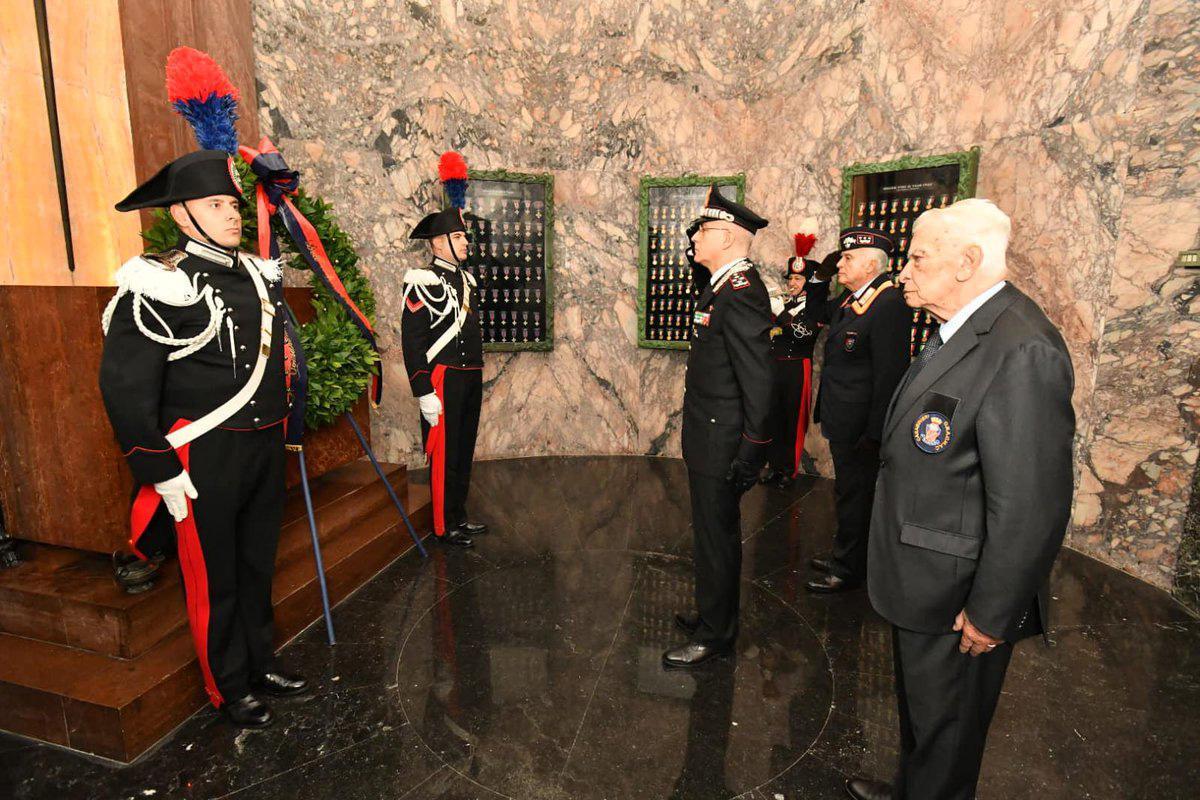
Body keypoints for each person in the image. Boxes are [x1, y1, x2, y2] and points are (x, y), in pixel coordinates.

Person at [846, 199, 1075, 800]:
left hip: (960, 595)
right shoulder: (964, 327)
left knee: (949, 735)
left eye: (918, 257)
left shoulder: (1022, 348)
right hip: (924, 578)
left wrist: (992, 612)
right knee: (927, 716)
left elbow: (1031, 504)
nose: (904, 271)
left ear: (968, 262)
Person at [101, 149, 309, 729]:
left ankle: (261, 662)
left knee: (254, 566)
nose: (231, 214)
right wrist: (158, 466)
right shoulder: (159, 281)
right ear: (182, 214)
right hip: (202, 455)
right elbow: (125, 386)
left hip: (262, 447)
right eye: (215, 205)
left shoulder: (253, 272)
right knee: (213, 576)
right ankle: (228, 686)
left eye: (232, 203)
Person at [664, 187, 772, 669]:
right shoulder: (722, 285)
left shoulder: (742, 292)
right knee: (709, 532)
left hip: (723, 438)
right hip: (708, 432)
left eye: (703, 231)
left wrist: (753, 448)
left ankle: (717, 634)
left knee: (718, 534)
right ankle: (712, 614)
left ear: (727, 237)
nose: (694, 240)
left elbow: (758, 379)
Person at [805, 228, 912, 593]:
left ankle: (848, 568)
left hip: (862, 425)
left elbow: (890, 374)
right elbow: (817, 314)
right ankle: (845, 553)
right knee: (849, 492)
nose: (841, 264)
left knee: (857, 494)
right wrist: (819, 277)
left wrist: (876, 431)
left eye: (848, 258)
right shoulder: (854, 300)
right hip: (844, 417)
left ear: (871, 264)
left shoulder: (888, 303)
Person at [400, 205, 487, 548]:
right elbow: (413, 341)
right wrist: (423, 390)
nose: (466, 242)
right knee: (444, 455)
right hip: (442, 378)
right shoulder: (422, 281)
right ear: (437, 244)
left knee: (463, 450)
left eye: (464, 235)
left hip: (470, 375)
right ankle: (443, 524)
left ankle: (459, 516)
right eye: (457, 236)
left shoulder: (467, 281)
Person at [759, 240, 832, 488]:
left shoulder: (814, 308)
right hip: (774, 366)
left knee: (793, 420)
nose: (791, 283)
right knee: (773, 418)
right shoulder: (783, 302)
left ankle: (789, 471)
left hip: (797, 367)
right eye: (790, 278)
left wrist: (779, 313)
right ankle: (774, 467)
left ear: (809, 284)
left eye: (798, 279)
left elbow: (802, 333)